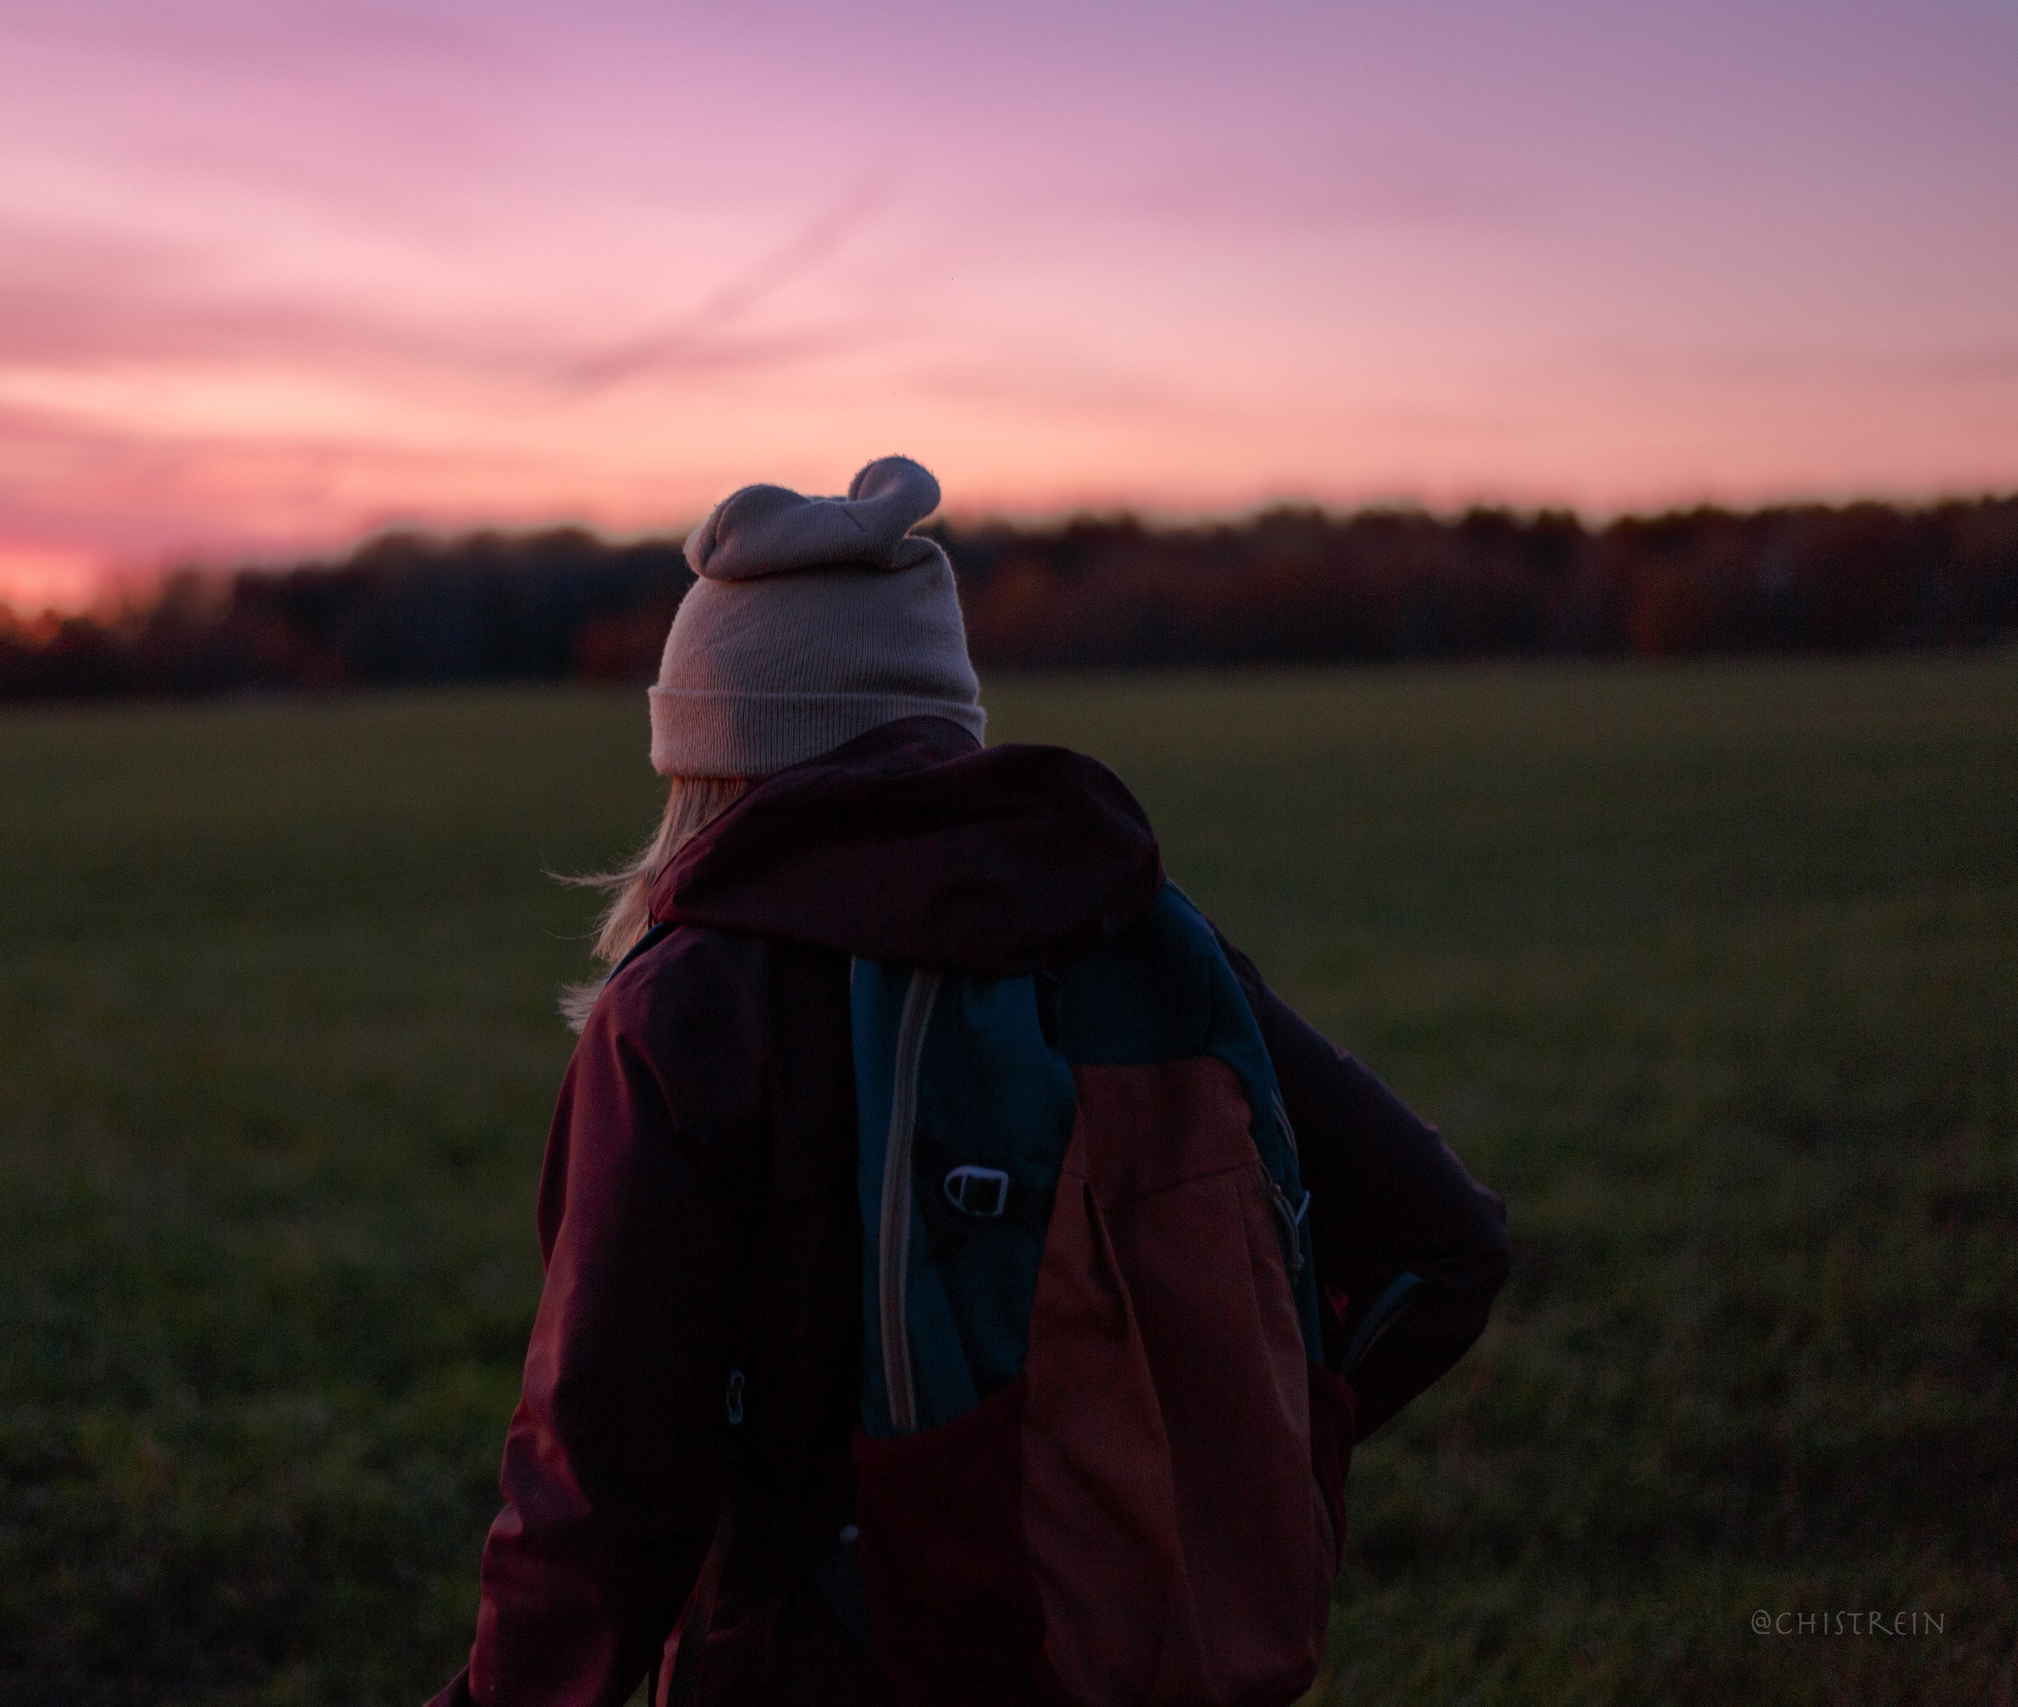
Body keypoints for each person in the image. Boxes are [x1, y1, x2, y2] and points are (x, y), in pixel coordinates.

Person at [429, 457, 1509, 1707]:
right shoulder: (1131, 931)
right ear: (946, 717)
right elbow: (1446, 1245)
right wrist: (1197, 1454)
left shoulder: (682, 1014)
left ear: (709, 750)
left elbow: (599, 1493)